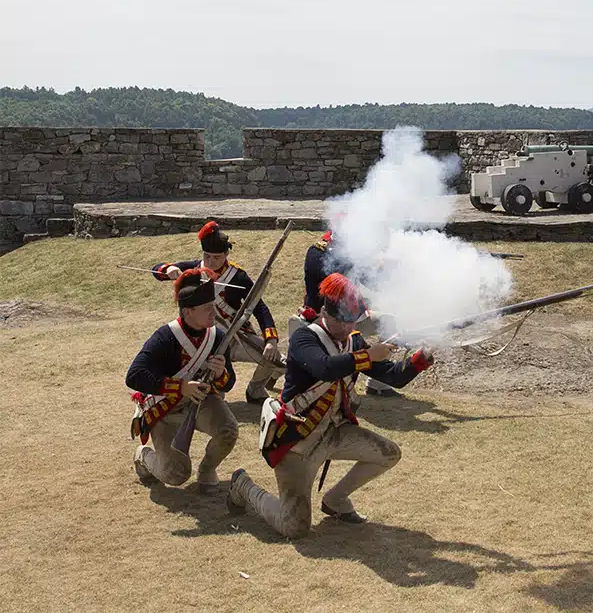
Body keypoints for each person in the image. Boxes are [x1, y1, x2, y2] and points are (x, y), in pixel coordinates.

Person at [227, 273, 434, 536]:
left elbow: (393, 376)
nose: (348, 328)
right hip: (298, 440)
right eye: (343, 321)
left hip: (334, 432)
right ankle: (243, 486)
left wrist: (419, 360)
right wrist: (368, 355)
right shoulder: (304, 338)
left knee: (389, 453)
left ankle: (336, 500)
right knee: (294, 527)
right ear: (326, 312)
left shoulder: (353, 341)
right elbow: (325, 368)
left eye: (353, 322)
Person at [126, 268, 238, 492]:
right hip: (166, 409)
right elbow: (134, 375)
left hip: (202, 401)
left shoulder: (217, 337)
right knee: (175, 474)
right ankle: (144, 456)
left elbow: (229, 383)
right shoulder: (165, 337)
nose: (213, 313)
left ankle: (207, 469)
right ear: (188, 312)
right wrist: (181, 387)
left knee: (228, 430)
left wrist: (219, 374)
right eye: (207, 308)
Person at [151, 220, 284, 403]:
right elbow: (157, 269)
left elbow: (259, 307)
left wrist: (271, 340)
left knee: (271, 357)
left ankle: (255, 390)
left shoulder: (238, 276)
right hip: (205, 339)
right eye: (207, 256)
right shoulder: (194, 271)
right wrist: (169, 269)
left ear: (226, 254)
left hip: (237, 336)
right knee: (213, 395)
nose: (211, 262)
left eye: (217, 257)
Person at [295, 226, 399, 398]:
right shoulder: (316, 252)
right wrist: (362, 258)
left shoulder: (353, 255)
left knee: (390, 322)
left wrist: (388, 274)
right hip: (322, 319)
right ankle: (261, 383)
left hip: (353, 316)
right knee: (290, 360)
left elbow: (370, 281)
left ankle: (377, 383)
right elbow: (331, 276)